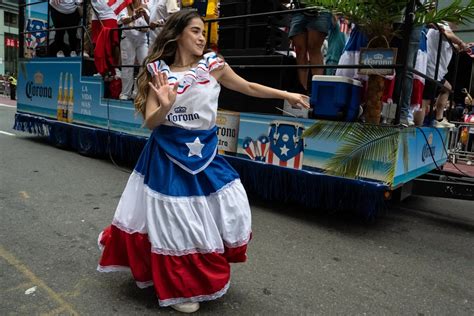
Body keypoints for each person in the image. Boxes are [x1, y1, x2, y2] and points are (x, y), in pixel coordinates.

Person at [97, 9, 309, 313]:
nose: (202, 37)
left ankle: (191, 274)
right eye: (195, 31)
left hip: (205, 154)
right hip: (166, 157)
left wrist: (286, 93)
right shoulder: (159, 71)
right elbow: (151, 122)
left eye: (203, 32)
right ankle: (181, 286)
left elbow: (247, 86)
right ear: (178, 33)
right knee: (175, 222)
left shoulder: (213, 66)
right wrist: (165, 105)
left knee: (227, 205)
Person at [421, 22, 468, 128]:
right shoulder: (442, 24)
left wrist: (460, 46)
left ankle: (439, 119)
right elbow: (447, 34)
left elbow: (452, 45)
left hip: (436, 72)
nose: (458, 24)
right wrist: (461, 42)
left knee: (447, 88)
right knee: (425, 101)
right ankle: (420, 125)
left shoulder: (443, 33)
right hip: (432, 70)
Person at [287, 0, 332, 93]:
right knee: (299, 51)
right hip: (299, 9)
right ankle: (302, 91)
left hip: (320, 9)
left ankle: (318, 91)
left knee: (314, 49)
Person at [117, 0, 150, 100]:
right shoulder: (124, 6)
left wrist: (144, 14)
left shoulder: (146, 6)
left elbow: (149, 24)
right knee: (127, 65)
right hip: (128, 38)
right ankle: (125, 93)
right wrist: (135, 16)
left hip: (142, 39)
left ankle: (137, 92)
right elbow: (123, 21)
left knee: (144, 64)